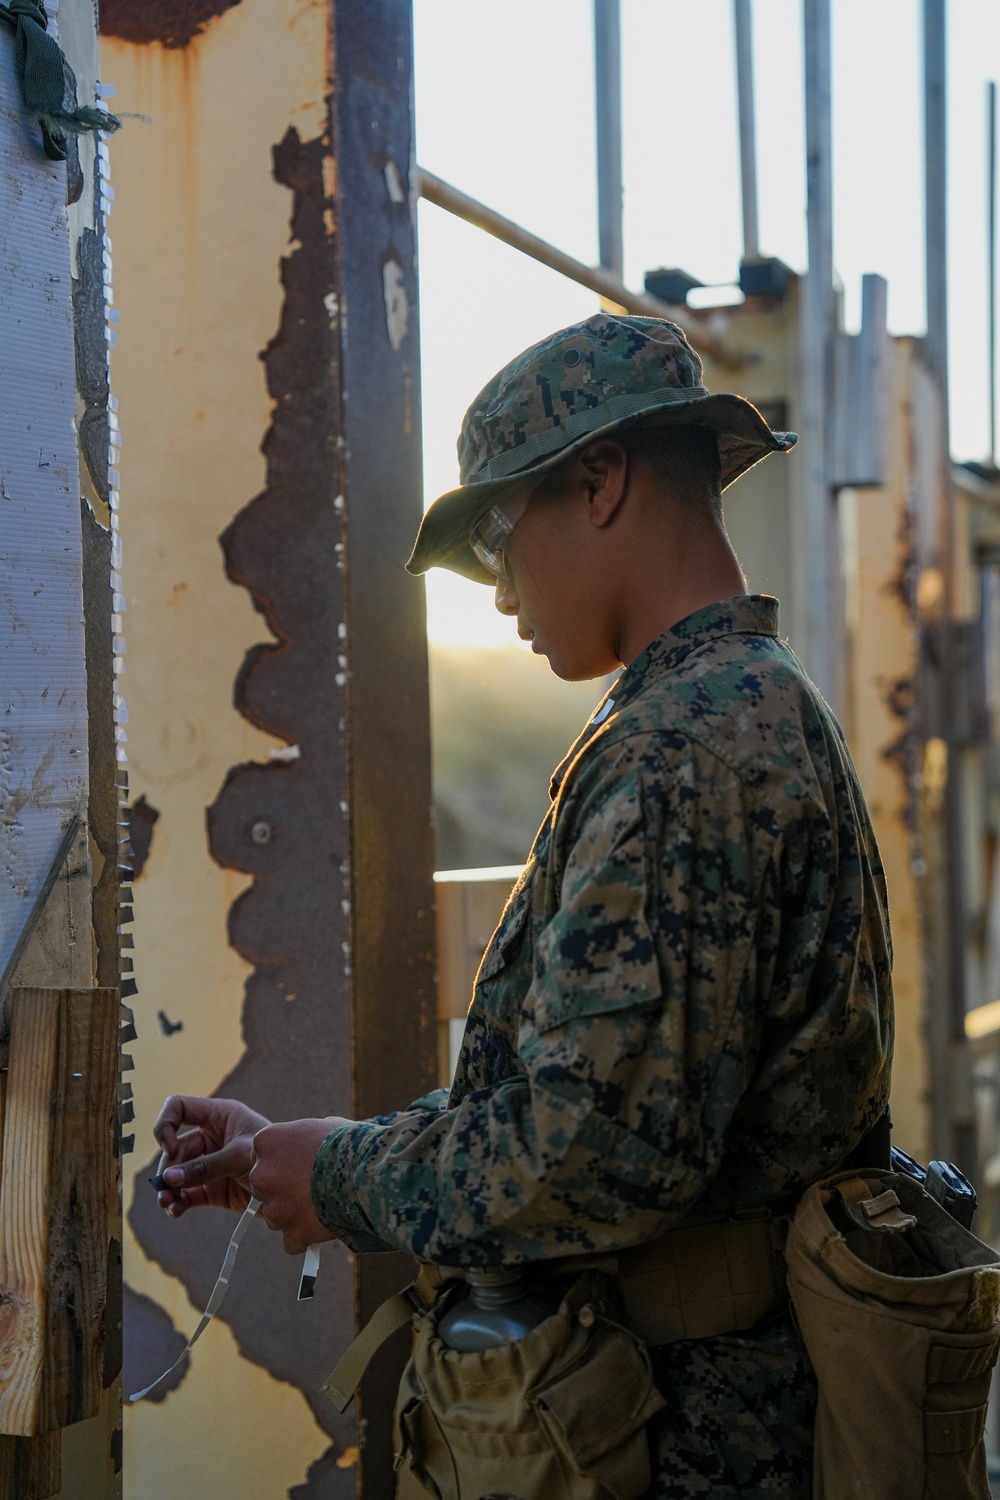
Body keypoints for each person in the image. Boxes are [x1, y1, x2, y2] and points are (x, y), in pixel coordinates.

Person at [152, 314, 893, 1497]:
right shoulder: (738, 705)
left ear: (600, 482)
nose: (497, 593)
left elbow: (590, 1152)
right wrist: (324, 1156)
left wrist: (343, 1177)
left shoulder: (682, 749)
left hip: (687, 1436)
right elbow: (596, 1086)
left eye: (498, 535)